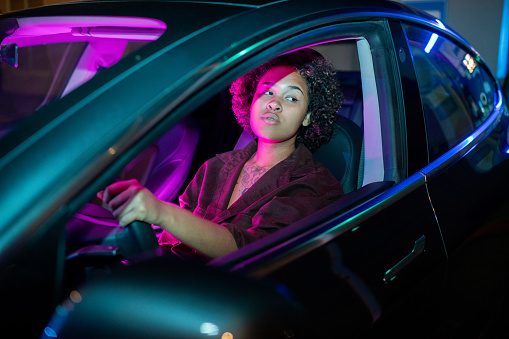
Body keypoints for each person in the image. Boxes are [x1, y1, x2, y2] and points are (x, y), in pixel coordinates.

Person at [98, 48, 344, 261]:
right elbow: (172, 240)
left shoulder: (312, 186)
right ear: (251, 99)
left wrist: (160, 212)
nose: (274, 103)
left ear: (309, 116)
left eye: (291, 97)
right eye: (267, 92)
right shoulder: (214, 167)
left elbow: (253, 251)